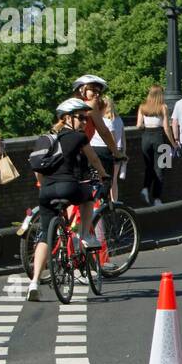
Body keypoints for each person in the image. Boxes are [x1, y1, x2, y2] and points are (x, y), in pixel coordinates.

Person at [27, 99, 108, 301]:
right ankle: (85, 236)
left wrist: (45, 185)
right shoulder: (78, 137)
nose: (83, 122)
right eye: (80, 117)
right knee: (88, 198)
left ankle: (34, 282)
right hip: (68, 186)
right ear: (66, 118)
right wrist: (104, 175)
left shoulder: (46, 139)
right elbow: (94, 160)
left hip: (46, 191)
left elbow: (37, 169)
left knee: (46, 235)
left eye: (85, 118)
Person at [68, 75, 124, 240]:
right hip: (78, 156)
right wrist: (117, 152)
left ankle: (66, 236)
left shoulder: (71, 106)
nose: (97, 95)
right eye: (93, 90)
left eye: (99, 91)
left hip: (64, 156)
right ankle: (84, 238)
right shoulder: (89, 106)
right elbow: (104, 132)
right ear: (82, 90)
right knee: (89, 199)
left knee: (70, 200)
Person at [135, 85, 172, 205]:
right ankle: (157, 198)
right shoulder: (163, 107)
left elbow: (139, 125)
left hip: (145, 138)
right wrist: (173, 142)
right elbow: (166, 127)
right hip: (159, 138)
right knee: (162, 167)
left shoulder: (142, 107)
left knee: (149, 166)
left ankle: (145, 189)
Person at [90, 95, 126, 201]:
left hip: (98, 149)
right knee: (112, 180)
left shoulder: (98, 121)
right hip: (114, 149)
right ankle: (113, 201)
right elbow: (121, 138)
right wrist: (122, 151)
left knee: (99, 178)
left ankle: (99, 201)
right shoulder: (117, 120)